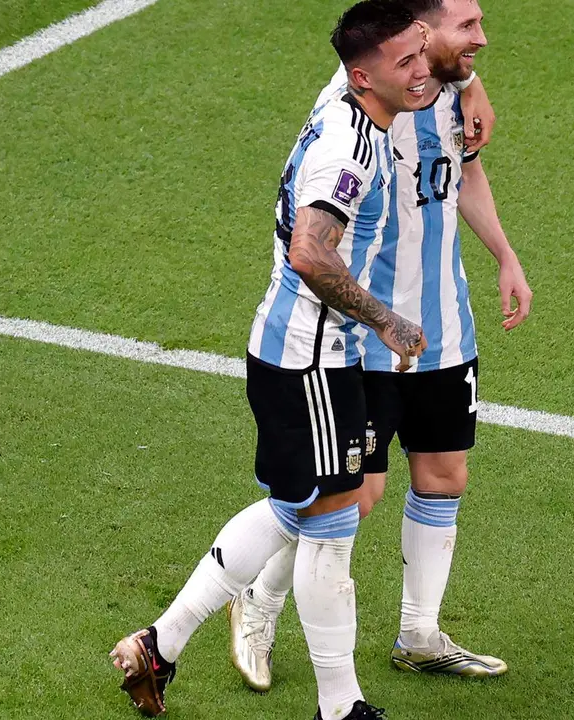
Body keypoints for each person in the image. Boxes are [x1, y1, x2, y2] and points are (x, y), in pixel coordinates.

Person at [109, 3, 431, 718]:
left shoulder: (348, 99)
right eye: (406, 61)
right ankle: (339, 708)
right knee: (330, 523)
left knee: (295, 509)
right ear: (363, 75)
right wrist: (387, 321)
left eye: (421, 53)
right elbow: (311, 251)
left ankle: (158, 645)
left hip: (298, 352)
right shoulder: (347, 150)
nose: (421, 68)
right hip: (310, 359)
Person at [229, 0, 533, 693]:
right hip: (371, 336)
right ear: (421, 31)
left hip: (444, 324)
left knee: (444, 473)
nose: (481, 40)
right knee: (349, 496)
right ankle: (258, 602)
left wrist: (505, 257)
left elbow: (463, 172)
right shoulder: (364, 95)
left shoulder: (452, 85)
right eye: (468, 27)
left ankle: (420, 634)